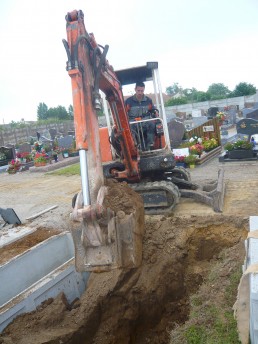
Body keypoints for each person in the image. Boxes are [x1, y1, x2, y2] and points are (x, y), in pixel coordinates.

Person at [125, 81, 158, 150]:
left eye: (142, 91)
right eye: (138, 90)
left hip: (145, 121)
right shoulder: (128, 101)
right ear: (135, 89)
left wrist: (155, 111)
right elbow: (124, 112)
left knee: (152, 124)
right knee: (129, 127)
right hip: (133, 122)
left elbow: (153, 109)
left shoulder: (148, 100)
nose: (140, 92)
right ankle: (134, 146)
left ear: (144, 90)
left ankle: (150, 144)